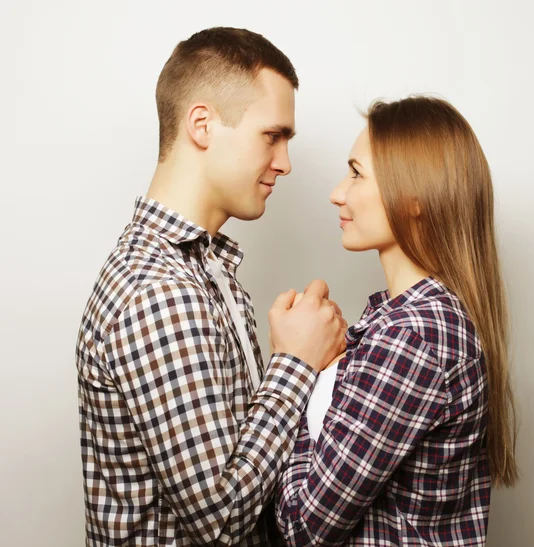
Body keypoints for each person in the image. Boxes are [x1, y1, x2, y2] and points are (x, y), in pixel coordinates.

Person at [75, 27, 346, 547]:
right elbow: (221, 520)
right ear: (203, 124)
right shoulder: (156, 289)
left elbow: (243, 460)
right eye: (273, 135)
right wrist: (297, 364)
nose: (286, 163)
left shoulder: (206, 268)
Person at [275, 96, 518, 546]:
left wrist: (294, 366)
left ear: (415, 198)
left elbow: (304, 527)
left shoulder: (413, 336)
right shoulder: (404, 320)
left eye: (356, 173)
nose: (337, 192)